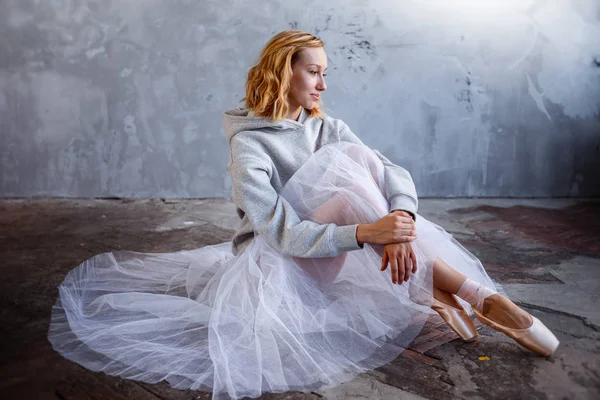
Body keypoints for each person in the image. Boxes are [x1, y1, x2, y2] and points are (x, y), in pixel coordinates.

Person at [48, 30, 559, 399]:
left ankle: (446, 292)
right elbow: (278, 233)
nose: (322, 85)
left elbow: (391, 172)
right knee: (352, 175)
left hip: (335, 254)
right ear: (282, 71)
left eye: (324, 73)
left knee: (359, 161)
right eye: (314, 72)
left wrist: (397, 225)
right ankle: (477, 296)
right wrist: (368, 229)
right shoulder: (248, 146)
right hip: (276, 270)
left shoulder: (324, 126)